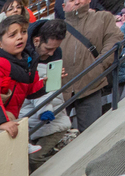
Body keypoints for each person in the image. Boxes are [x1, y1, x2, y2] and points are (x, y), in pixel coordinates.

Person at [60, 0, 123, 132]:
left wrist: (99, 66)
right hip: (61, 87)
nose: (77, 2)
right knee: (54, 133)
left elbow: (114, 40)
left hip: (91, 84)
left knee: (91, 132)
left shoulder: (103, 17)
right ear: (63, 6)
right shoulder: (57, 27)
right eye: (71, 0)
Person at [0, 16, 45, 142]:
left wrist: (46, 84)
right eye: (12, 35)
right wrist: (1, 121)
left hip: (11, 121)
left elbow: (29, 91)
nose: (20, 37)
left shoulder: (27, 61)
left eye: (23, 32)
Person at [21, 20, 74, 168]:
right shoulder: (21, 54)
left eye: (55, 49)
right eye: (48, 48)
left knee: (34, 159)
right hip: (30, 120)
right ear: (36, 40)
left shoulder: (56, 53)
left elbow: (48, 92)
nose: (51, 53)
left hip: (53, 119)